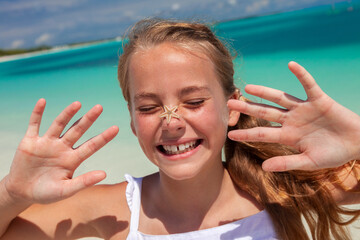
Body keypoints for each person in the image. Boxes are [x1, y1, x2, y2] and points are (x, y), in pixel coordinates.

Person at [0, 19, 359, 240]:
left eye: (193, 101)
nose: (171, 122)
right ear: (131, 119)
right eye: (149, 107)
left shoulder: (280, 187)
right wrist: (13, 192)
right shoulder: (113, 210)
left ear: (232, 107)